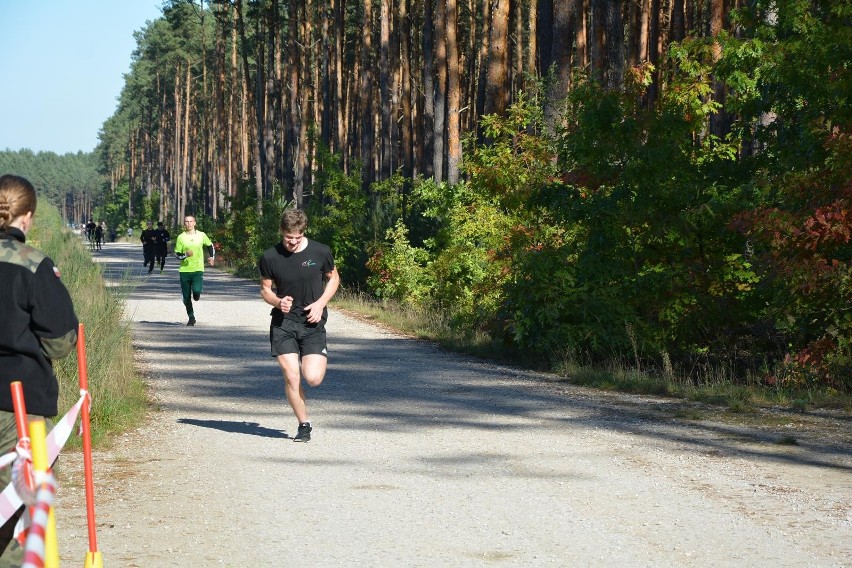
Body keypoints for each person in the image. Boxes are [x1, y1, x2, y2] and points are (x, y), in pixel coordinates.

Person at [0, 174, 78, 563]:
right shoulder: (33, 266)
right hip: (21, 407)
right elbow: (62, 343)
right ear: (27, 217)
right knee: (22, 512)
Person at [258, 209, 339, 442]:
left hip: (312, 322)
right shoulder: (270, 257)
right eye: (288, 237)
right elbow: (265, 289)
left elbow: (333, 278)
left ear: (304, 231)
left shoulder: (320, 251)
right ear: (281, 232)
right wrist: (277, 301)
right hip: (283, 323)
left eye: (297, 237)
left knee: (312, 378)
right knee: (292, 375)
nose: (292, 242)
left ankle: (315, 356)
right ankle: (304, 424)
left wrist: (321, 303)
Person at [173, 215, 214, 326]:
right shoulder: (181, 237)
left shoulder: (201, 235)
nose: (189, 223)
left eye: (191, 221)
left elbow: (210, 246)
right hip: (184, 271)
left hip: (198, 269)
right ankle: (191, 317)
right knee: (186, 297)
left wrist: (211, 257)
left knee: (196, 291)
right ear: (184, 224)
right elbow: (177, 254)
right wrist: (185, 255)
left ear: (195, 223)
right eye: (186, 221)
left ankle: (197, 294)